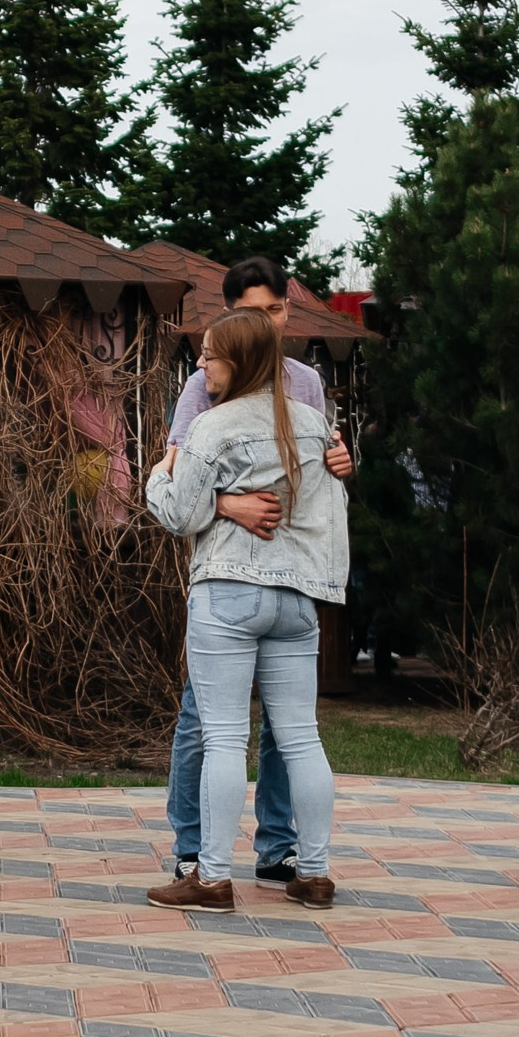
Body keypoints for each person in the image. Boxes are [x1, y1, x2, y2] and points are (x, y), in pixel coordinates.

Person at [144, 308, 347, 913]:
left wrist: (159, 475)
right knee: (302, 739)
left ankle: (209, 878)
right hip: (297, 599)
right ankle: (313, 874)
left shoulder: (212, 427)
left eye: (209, 355)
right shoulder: (315, 426)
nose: (201, 365)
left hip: (228, 589)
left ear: (238, 360)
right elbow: (330, 509)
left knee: (225, 738)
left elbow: (180, 515)